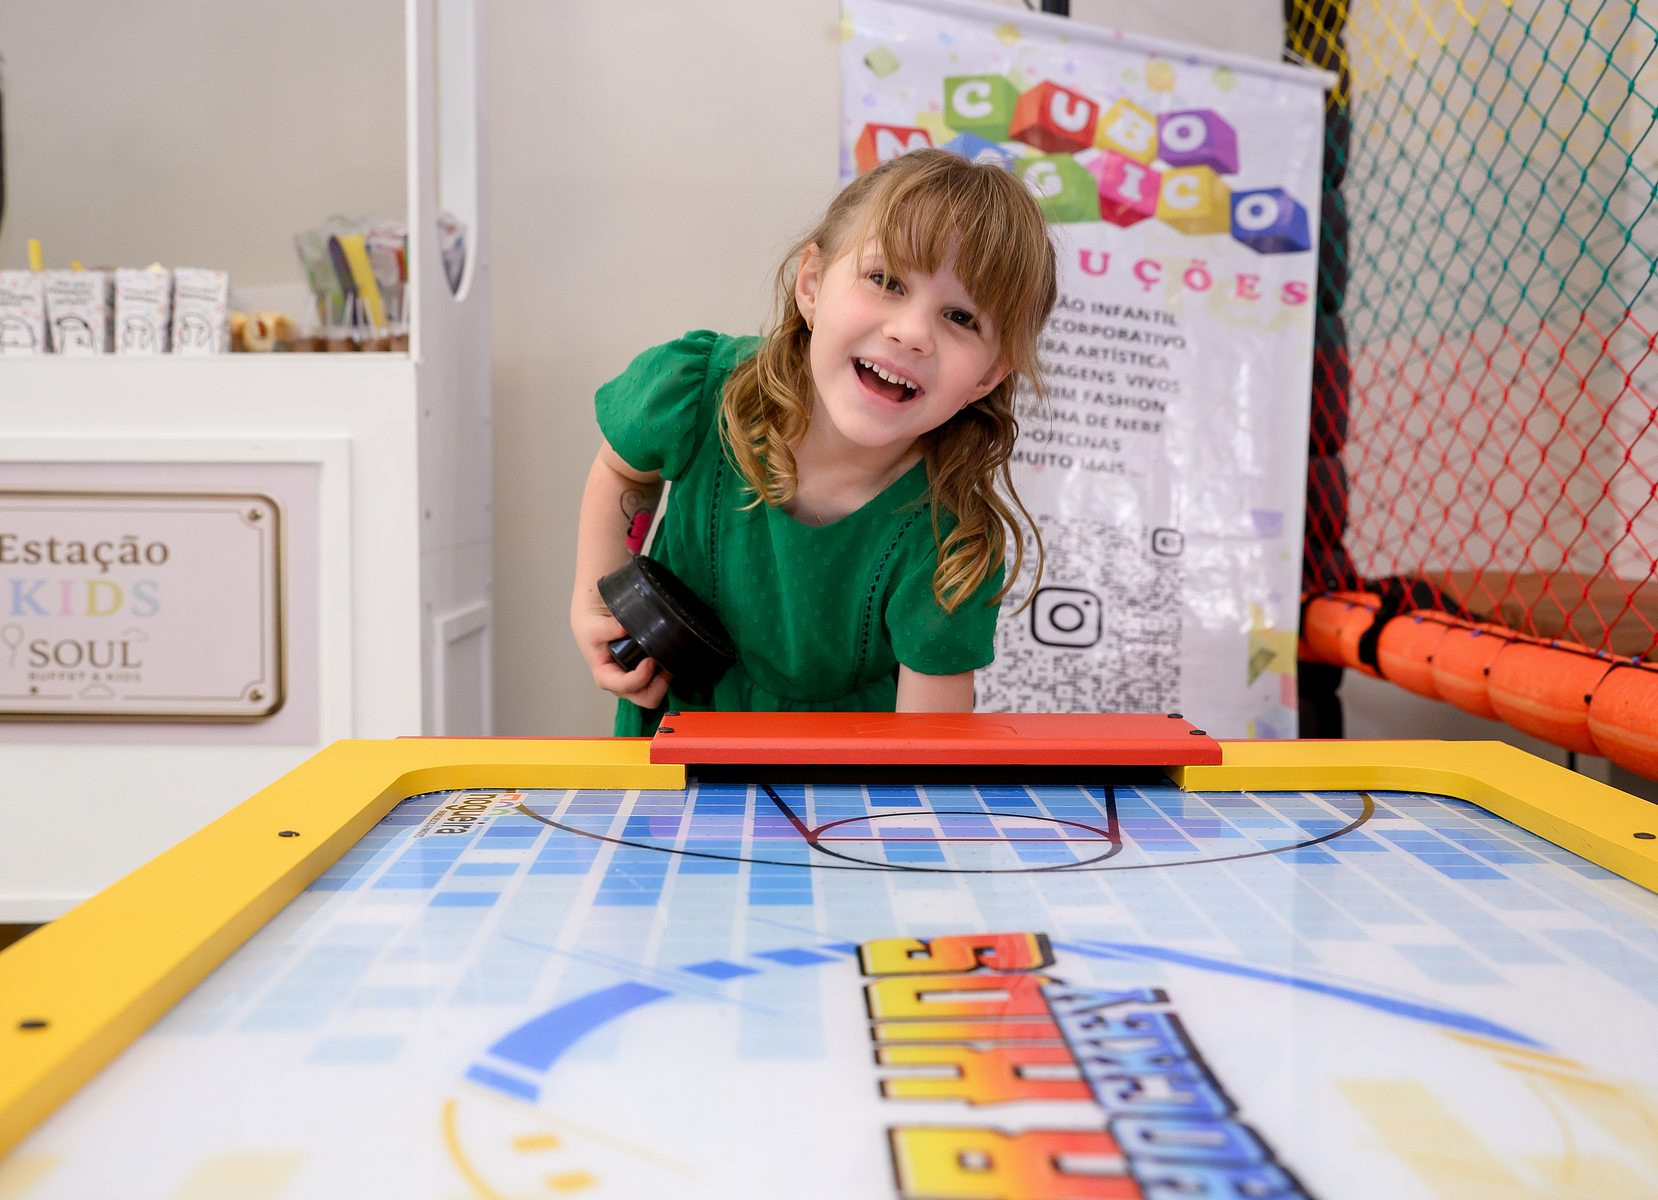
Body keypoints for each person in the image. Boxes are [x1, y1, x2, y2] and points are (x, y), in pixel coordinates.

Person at [571, 149, 1058, 735]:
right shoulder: (696, 393)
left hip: (842, 781)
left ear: (988, 378)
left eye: (961, 318)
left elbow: (927, 755)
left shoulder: (950, 546)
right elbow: (623, 472)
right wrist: (596, 605)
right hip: (670, 748)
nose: (911, 333)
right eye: (886, 281)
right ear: (812, 284)